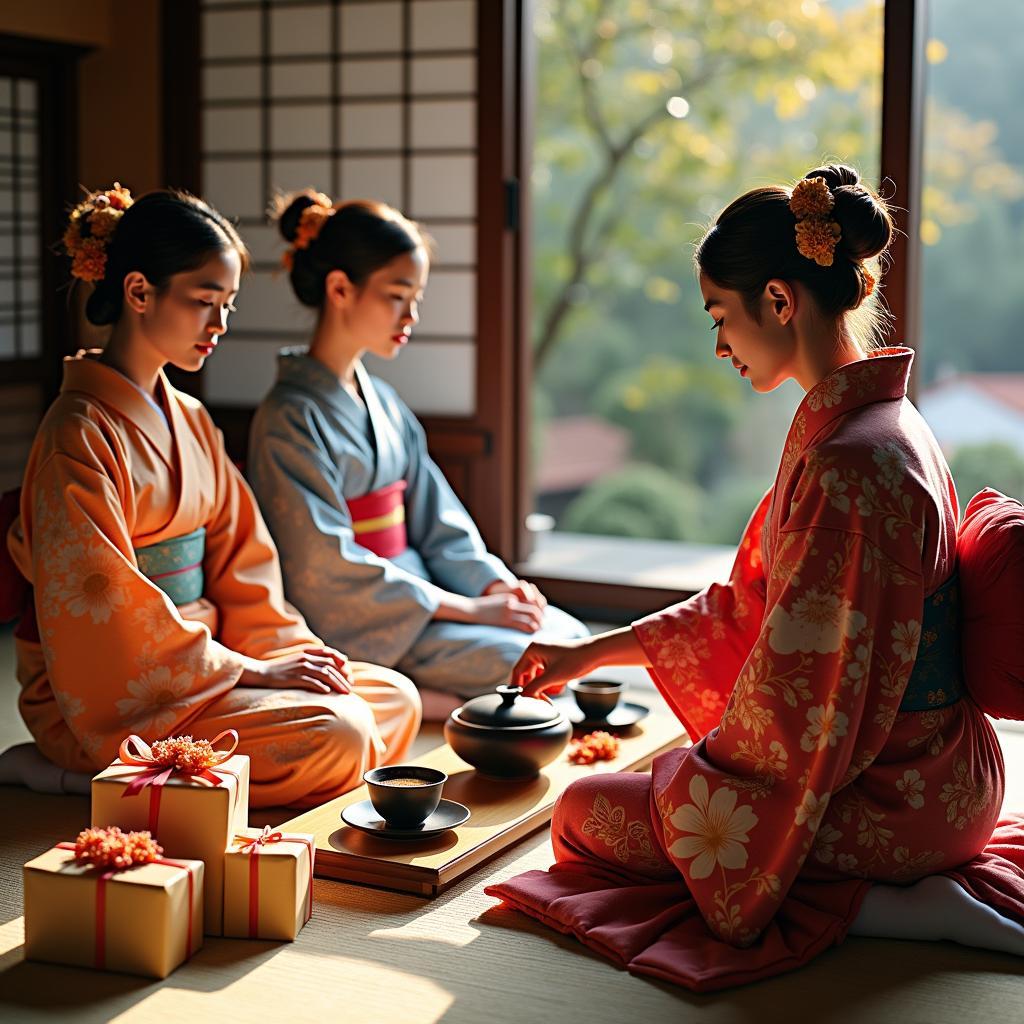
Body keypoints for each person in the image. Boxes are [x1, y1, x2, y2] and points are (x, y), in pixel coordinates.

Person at [485, 165, 1024, 991]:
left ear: (779, 300)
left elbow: (802, 704)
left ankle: (896, 906)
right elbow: (751, 611)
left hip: (901, 808)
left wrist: (705, 775)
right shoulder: (881, 425)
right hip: (945, 771)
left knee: (583, 813)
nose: (719, 346)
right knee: (652, 785)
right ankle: (895, 889)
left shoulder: (849, 462)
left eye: (721, 316)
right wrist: (587, 655)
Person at [2, 185, 420, 807]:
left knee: (392, 698)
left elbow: (242, 567)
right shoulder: (78, 432)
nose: (219, 326)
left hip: (211, 668)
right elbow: (105, 613)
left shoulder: (192, 419)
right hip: (120, 692)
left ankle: (170, 778)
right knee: (341, 732)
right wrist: (253, 673)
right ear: (139, 292)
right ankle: (74, 772)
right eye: (203, 302)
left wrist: (285, 656)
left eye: (227, 304)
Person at [247, 192, 587, 718]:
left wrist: (496, 586)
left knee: (568, 638)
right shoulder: (288, 418)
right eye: (397, 295)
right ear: (340, 288)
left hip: (426, 602)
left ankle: (436, 701)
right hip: (366, 618)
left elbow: (439, 521)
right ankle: (415, 698)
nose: (411, 315)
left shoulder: (381, 401)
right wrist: (473, 609)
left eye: (416, 298)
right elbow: (323, 565)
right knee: (535, 662)